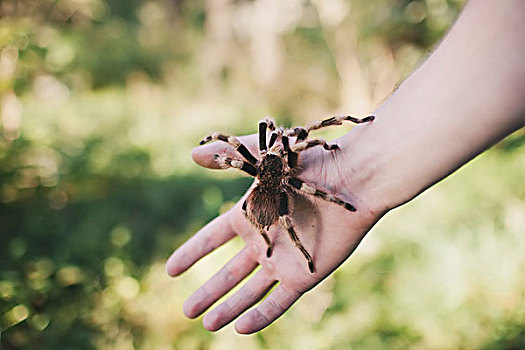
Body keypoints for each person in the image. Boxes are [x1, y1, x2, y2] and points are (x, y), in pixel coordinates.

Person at [166, 0, 525, 334]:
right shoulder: (286, 176)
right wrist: (226, 140)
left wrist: (336, 156)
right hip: (270, 193)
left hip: (266, 189)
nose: (280, 141)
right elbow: (266, 154)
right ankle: (299, 248)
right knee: (287, 218)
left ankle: (285, 240)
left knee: (283, 204)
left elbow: (264, 150)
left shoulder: (267, 172)